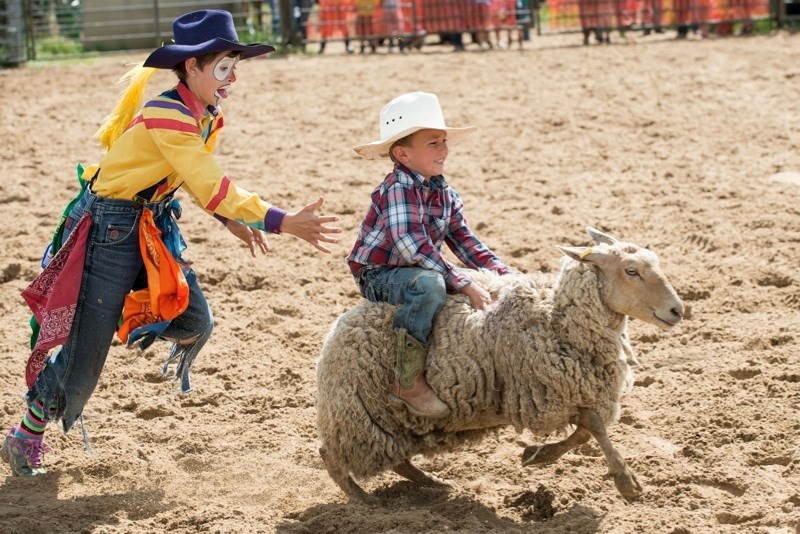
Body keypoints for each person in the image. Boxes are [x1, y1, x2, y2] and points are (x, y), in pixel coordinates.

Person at [1, 9, 341, 477]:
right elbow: (209, 180)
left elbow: (192, 175)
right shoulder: (168, 112)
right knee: (85, 355)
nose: (233, 78)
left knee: (196, 320)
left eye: (235, 66)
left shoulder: (206, 116)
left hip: (147, 223)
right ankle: (26, 433)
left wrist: (228, 219)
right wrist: (280, 221)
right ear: (193, 67)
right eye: (224, 67)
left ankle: (125, 309)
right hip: (110, 227)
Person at [346, 92, 512, 418]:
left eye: (444, 141)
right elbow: (411, 243)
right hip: (378, 273)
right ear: (403, 153)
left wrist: (502, 272)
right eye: (433, 143)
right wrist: (462, 282)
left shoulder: (443, 191)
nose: (444, 150)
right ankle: (406, 379)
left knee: (438, 281)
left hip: (415, 267)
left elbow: (463, 239)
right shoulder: (396, 188)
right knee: (431, 286)